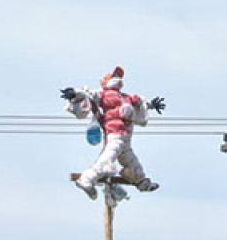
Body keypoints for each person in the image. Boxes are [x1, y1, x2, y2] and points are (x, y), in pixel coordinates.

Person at [62, 67, 165, 201]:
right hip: (114, 136)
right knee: (105, 161)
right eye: (114, 75)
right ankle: (86, 179)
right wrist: (75, 92)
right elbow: (89, 94)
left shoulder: (126, 97)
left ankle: (141, 181)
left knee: (133, 163)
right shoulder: (104, 95)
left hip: (126, 139)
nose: (117, 78)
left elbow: (140, 101)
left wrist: (152, 104)